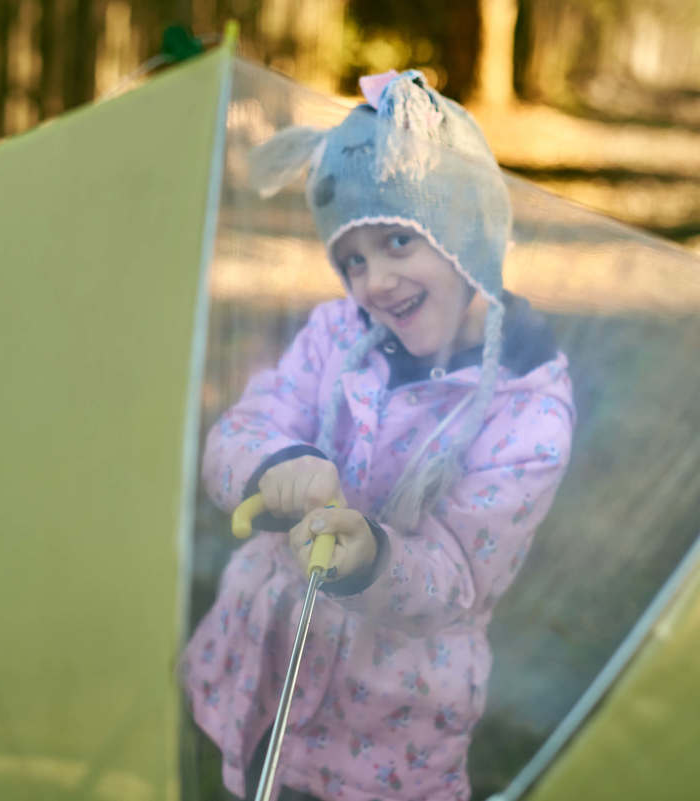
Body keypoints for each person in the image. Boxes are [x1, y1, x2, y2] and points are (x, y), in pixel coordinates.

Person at [182, 69, 575, 801]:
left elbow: (459, 571)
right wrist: (278, 463)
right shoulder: (335, 334)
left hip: (385, 735)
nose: (374, 281)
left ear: (471, 235)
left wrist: (372, 556)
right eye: (353, 258)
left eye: (399, 240)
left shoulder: (528, 412)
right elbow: (240, 430)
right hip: (256, 674)